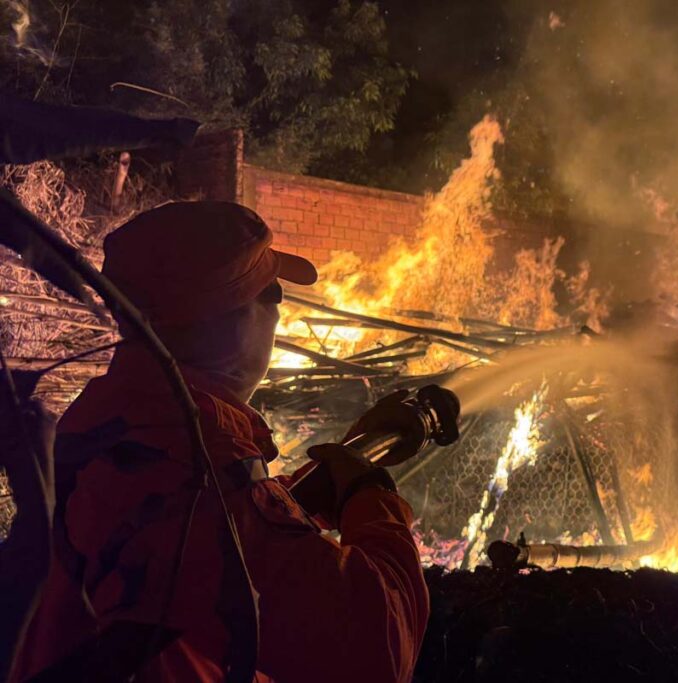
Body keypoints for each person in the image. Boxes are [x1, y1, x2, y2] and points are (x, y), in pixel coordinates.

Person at [12, 201, 429, 682]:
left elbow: (222, 546)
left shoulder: (115, 417)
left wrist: (320, 480)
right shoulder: (199, 463)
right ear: (230, 322)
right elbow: (379, 650)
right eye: (271, 292)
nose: (278, 308)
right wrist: (370, 496)